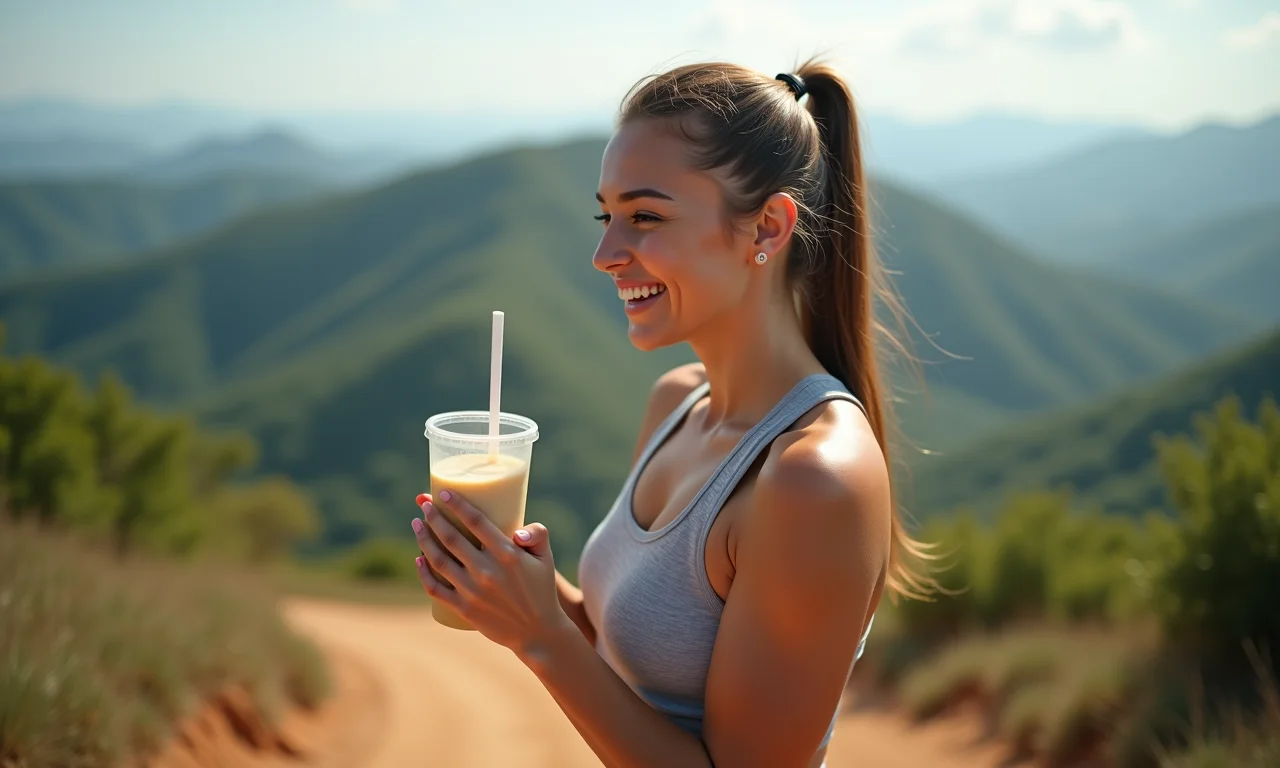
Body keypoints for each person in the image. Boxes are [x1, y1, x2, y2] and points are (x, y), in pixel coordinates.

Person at [410, 57, 931, 768]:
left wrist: (542, 637)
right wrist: (516, 587)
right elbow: (627, 653)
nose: (604, 253)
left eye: (645, 217)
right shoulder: (676, 405)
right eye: (607, 215)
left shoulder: (814, 480)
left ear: (768, 229)